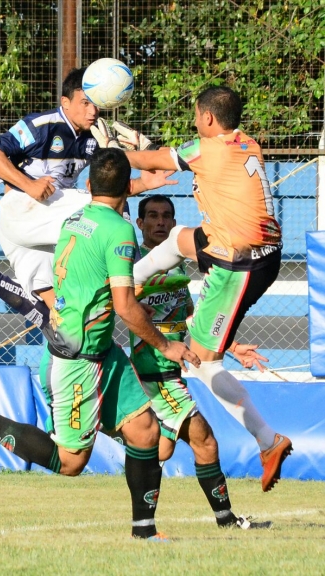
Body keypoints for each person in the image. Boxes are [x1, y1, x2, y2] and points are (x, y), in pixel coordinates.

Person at [0, 148, 200, 541]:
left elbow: (99, 284)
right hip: (77, 358)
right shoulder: (119, 229)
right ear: (127, 189)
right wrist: (166, 345)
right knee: (71, 462)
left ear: (88, 185)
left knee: (147, 433)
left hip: (100, 348)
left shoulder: (75, 218)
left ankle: (145, 533)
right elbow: (125, 305)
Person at [99, 85, 292, 492]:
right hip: (249, 248)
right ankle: (127, 282)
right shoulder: (245, 142)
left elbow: (148, 160)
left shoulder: (207, 149)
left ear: (207, 118)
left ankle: (268, 440)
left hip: (239, 263)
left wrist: (110, 153)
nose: (194, 122)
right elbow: (170, 157)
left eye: (195, 116)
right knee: (177, 239)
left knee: (204, 363)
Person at [0, 67, 177, 313]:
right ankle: (137, 274)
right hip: (24, 208)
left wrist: (144, 183)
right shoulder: (41, 125)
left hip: (34, 225)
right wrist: (29, 185)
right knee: (109, 211)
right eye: (85, 103)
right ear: (65, 102)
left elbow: (113, 185)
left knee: (55, 313)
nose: (93, 111)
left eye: (96, 104)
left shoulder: (94, 135)